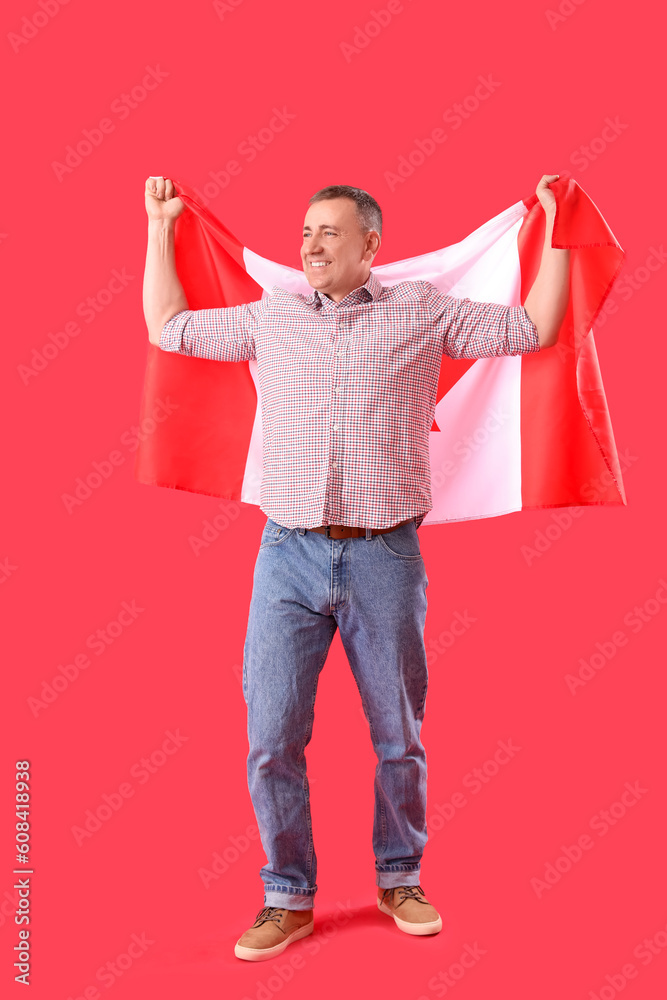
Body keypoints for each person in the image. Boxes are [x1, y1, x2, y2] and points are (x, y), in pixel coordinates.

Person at [143, 173, 570, 962]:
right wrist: (160, 227)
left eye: (329, 233)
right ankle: (287, 896)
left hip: (384, 555)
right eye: (305, 232)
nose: (310, 246)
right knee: (271, 734)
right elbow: (168, 328)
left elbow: (533, 327)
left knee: (396, 735)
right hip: (287, 557)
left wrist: (560, 228)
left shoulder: (419, 310)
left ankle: (399, 876)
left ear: (371, 243)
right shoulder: (271, 318)